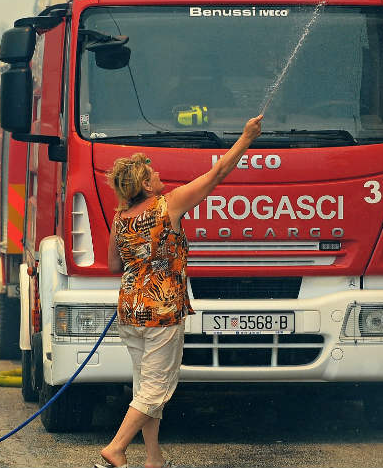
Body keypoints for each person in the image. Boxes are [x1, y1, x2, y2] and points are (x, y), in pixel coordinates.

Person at [98, 114, 263, 468]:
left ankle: (154, 459)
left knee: (145, 385)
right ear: (145, 182)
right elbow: (216, 175)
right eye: (153, 172)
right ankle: (116, 448)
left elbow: (114, 266)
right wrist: (246, 137)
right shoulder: (168, 205)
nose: (159, 175)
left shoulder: (120, 218)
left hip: (130, 310)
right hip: (162, 310)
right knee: (156, 388)